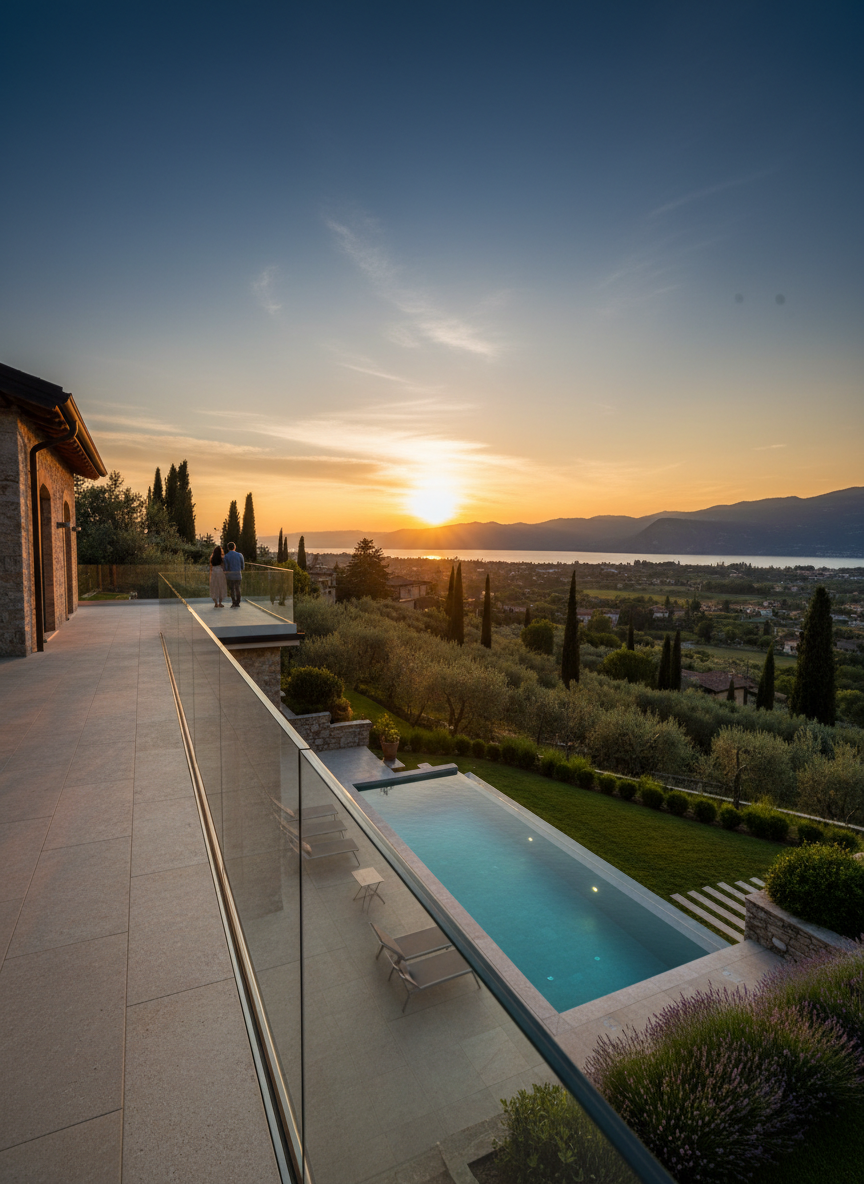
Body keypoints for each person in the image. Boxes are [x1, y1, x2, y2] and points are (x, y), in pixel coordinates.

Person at [223, 541, 245, 607]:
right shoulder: (240, 555)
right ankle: (238, 602)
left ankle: (234, 602)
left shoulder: (226, 556)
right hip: (238, 575)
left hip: (230, 576)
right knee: (238, 588)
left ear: (228, 548)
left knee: (232, 589)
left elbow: (226, 568)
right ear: (235, 547)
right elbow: (242, 566)